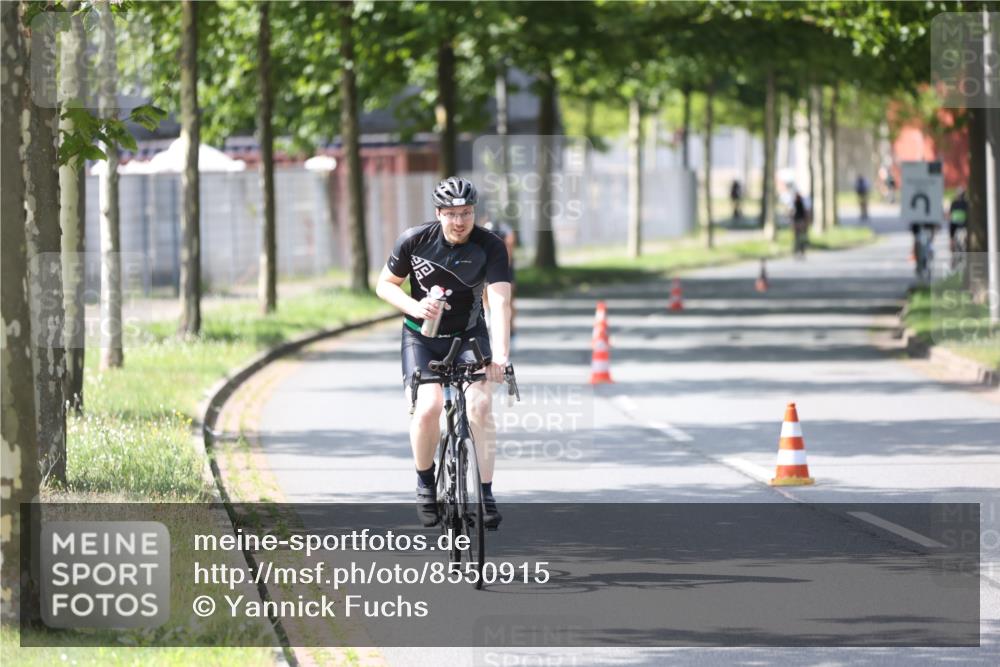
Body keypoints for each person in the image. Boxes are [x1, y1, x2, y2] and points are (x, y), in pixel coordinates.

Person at [375, 177, 512, 529]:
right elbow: (384, 285)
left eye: (466, 212)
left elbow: (499, 302)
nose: (459, 220)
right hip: (422, 337)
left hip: (469, 336)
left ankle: (486, 492)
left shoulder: (490, 246)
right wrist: (414, 306)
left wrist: (500, 356)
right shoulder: (414, 240)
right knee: (429, 408)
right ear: (438, 213)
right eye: (451, 213)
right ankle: (425, 484)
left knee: (480, 407)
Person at [482, 219, 517, 341]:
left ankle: (511, 331)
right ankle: (487, 320)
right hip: (487, 267)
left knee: (508, 300)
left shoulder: (506, 232)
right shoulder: (483, 232)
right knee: (484, 295)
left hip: (505, 267)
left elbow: (509, 254)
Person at [948, 188, 968, 254]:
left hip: (955, 224)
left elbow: (950, 213)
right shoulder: (966, 203)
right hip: (963, 224)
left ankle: (952, 243)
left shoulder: (954, 203)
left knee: (952, 235)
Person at [791, 190, 809, 258]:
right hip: (797, 222)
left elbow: (805, 214)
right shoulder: (794, 203)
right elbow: (792, 214)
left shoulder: (802, 204)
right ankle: (796, 251)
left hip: (801, 221)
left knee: (801, 237)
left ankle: (802, 251)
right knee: (796, 238)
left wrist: (805, 223)